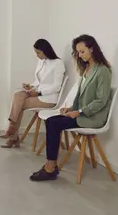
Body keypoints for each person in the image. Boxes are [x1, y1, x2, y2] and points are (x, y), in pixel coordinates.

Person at [30, 34, 112, 182]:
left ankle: (50, 168)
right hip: (80, 114)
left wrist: (79, 112)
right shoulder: (86, 69)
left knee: (54, 123)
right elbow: (80, 97)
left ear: (92, 49)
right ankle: (51, 165)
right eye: (78, 52)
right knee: (50, 120)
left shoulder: (102, 71)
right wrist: (70, 109)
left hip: (92, 117)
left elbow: (101, 101)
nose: (80, 56)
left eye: (82, 52)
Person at [0, 38, 65, 148]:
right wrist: (31, 86)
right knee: (17, 95)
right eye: (35, 52)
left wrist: (39, 93)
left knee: (19, 104)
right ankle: (12, 131)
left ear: (46, 51)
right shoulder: (41, 61)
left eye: (38, 52)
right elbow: (38, 82)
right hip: (37, 93)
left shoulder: (58, 63)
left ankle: (12, 133)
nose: (37, 55)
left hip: (48, 99)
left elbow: (57, 87)